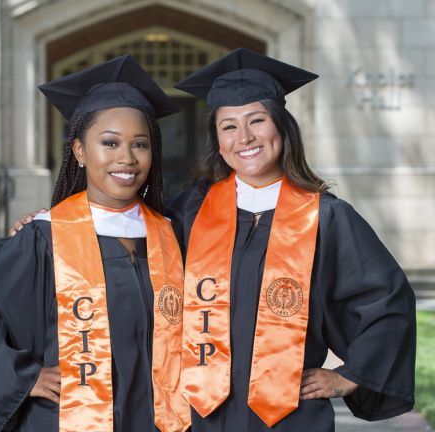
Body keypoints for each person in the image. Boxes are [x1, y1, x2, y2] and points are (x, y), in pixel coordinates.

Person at [167, 48, 416, 431]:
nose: (244, 137)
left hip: (288, 415)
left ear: (281, 127)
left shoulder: (324, 216)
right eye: (229, 126)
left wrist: (349, 376)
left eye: (257, 120)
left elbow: (384, 298)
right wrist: (52, 223)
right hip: (199, 415)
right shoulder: (191, 211)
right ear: (217, 141)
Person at [0, 55, 190, 432]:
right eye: (109, 142)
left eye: (139, 145)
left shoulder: (172, 235)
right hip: (70, 419)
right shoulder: (46, 236)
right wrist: (21, 377)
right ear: (79, 151)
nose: (126, 157)